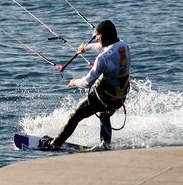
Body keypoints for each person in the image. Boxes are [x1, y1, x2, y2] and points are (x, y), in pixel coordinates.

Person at [46, 20, 130, 151]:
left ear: (105, 35)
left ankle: (55, 144)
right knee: (104, 113)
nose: (96, 38)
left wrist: (74, 82)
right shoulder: (123, 45)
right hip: (120, 97)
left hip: (105, 97)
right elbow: (105, 48)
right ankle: (105, 144)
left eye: (98, 35)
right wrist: (86, 47)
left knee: (75, 114)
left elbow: (87, 83)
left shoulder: (102, 59)